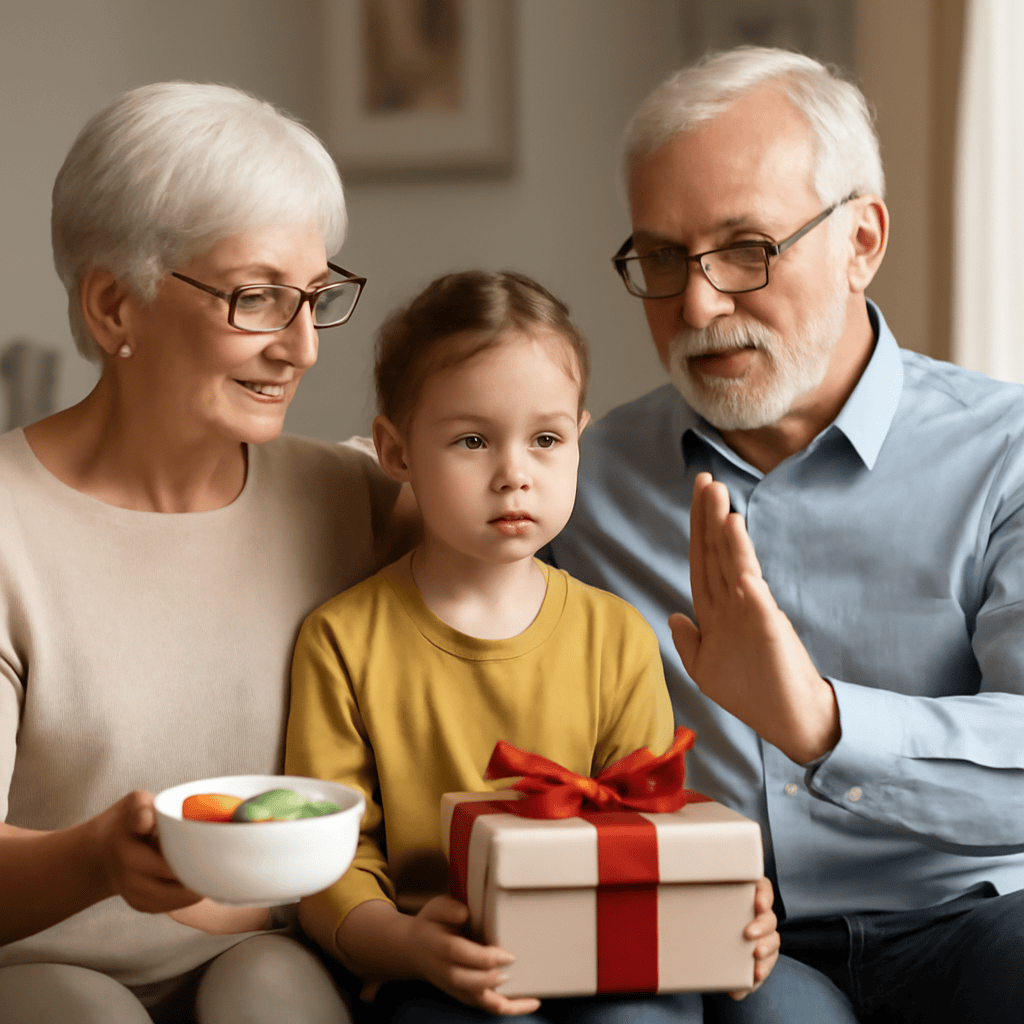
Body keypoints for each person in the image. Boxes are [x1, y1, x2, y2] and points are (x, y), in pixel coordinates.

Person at [548, 45, 1024, 1024]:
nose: (696, 304)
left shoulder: (1007, 452)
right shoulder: (575, 480)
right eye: (662, 258)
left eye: (744, 248)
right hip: (722, 947)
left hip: (976, 922)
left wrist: (820, 721)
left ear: (861, 240)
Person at [0, 81, 408, 1023]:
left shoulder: (354, 500)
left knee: (271, 992)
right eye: (258, 298)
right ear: (114, 308)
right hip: (37, 970)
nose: (303, 347)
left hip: (265, 957)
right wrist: (99, 857)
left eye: (315, 296)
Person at [285, 270, 780, 1023]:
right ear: (396, 450)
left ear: (578, 439)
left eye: (545, 439)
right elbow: (327, 865)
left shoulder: (615, 635)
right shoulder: (343, 642)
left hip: (604, 954)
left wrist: (723, 915)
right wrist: (409, 944)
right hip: (438, 970)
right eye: (473, 440)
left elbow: (647, 825)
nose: (514, 473)